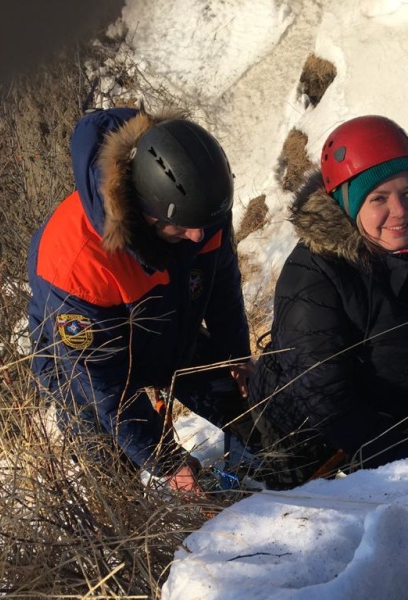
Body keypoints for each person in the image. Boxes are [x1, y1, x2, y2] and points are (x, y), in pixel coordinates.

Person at [248, 115, 408, 489]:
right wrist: (404, 456)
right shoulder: (312, 274)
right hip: (300, 438)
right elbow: (322, 396)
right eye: (379, 198)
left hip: (380, 419)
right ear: (348, 204)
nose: (400, 211)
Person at [27, 107, 256, 493]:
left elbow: (221, 285)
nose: (199, 237)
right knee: (111, 472)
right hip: (83, 367)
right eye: (183, 228)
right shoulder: (76, 261)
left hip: (169, 328)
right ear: (146, 212)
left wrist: (235, 355)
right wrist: (166, 461)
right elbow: (104, 387)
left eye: (205, 224)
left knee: (250, 408)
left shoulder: (199, 204)